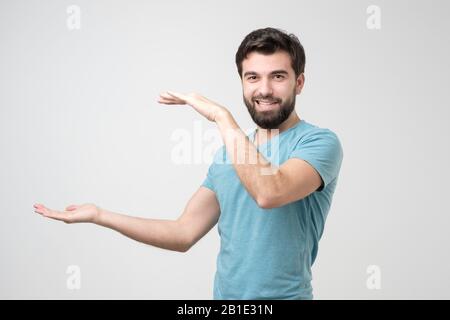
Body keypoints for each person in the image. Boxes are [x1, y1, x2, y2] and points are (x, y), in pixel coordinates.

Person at [33, 27, 343, 300]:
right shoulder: (228, 154)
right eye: (253, 77)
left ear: (299, 82)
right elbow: (183, 233)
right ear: (242, 83)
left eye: (278, 76)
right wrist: (100, 215)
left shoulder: (318, 143)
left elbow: (269, 193)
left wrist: (222, 118)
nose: (264, 89)